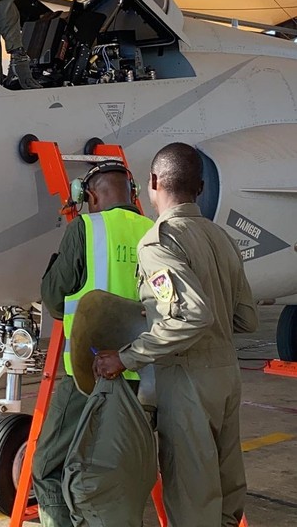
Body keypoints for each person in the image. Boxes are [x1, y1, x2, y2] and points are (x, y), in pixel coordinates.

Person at [94, 142, 259, 527]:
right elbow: (247, 318)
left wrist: (125, 357)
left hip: (187, 382)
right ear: (200, 188)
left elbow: (193, 316)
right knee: (226, 494)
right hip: (226, 377)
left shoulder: (160, 241)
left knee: (192, 499)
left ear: (153, 182)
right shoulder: (221, 237)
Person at [32, 161, 153, 527]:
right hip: (144, 377)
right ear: (133, 193)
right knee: (119, 468)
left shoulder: (86, 227)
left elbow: (54, 300)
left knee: (49, 467)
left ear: (90, 196)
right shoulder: (153, 231)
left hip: (89, 378)